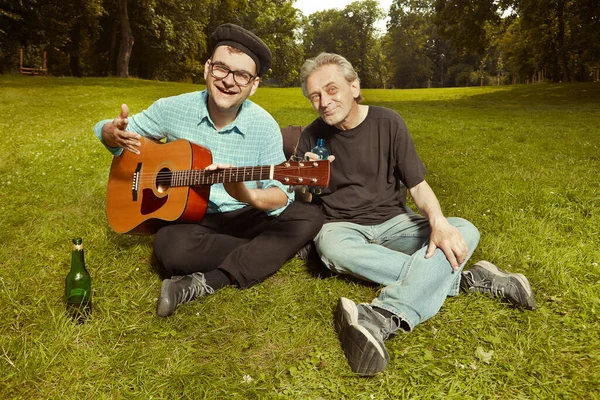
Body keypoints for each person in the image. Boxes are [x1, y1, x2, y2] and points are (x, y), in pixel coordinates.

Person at [295, 52, 536, 377]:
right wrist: (307, 180)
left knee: (463, 229)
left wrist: (438, 224)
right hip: (342, 227)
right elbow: (304, 200)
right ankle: (465, 279)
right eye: (315, 96)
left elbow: (419, 187)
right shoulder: (311, 136)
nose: (324, 102)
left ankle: (382, 315)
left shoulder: (388, 122)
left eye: (331, 89)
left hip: (396, 222)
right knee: (330, 249)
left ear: (354, 86)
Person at [94, 23, 324, 318]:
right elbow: (121, 132)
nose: (229, 81)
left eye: (241, 75)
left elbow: (280, 194)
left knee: (310, 214)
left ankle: (215, 278)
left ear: (254, 85)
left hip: (245, 213)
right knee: (170, 248)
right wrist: (109, 132)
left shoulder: (264, 125)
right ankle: (275, 250)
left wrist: (247, 195)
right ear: (207, 69)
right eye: (221, 69)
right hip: (193, 218)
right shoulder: (172, 108)